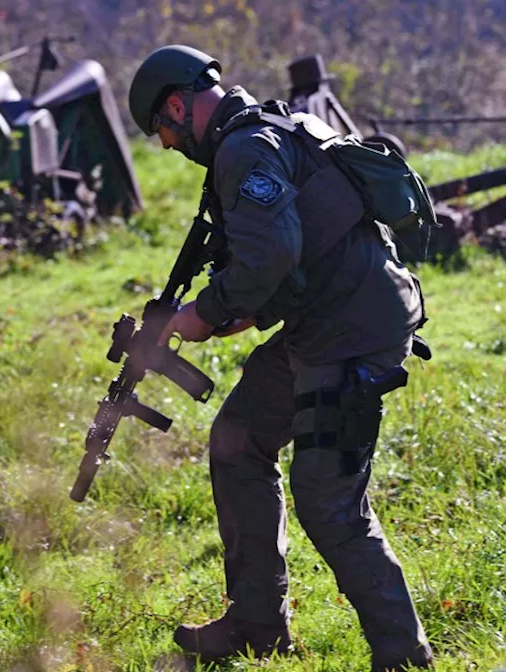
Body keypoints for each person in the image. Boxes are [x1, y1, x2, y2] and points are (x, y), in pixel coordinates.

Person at [127, 45, 436, 672]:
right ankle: (256, 625)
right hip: (323, 320)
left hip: (350, 329)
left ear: (180, 105)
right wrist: (234, 308)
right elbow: (293, 255)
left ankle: (405, 659)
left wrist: (199, 317)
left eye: (162, 128)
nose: (166, 145)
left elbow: (270, 258)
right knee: (238, 443)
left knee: (328, 502)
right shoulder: (266, 130)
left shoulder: (245, 149)